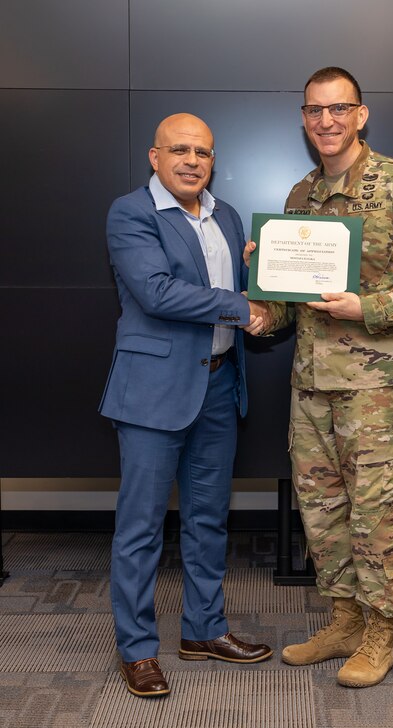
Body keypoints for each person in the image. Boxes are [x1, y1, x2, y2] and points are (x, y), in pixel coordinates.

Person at [247, 66, 393, 687]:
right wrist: (262, 299)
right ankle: (342, 619)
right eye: (315, 111)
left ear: (361, 114)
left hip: (377, 388)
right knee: (322, 511)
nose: (326, 121)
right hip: (311, 384)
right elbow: (290, 303)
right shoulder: (300, 197)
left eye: (339, 109)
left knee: (375, 513)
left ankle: (380, 633)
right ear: (304, 119)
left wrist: (368, 306)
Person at [99, 113, 273, 697]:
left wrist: (264, 276)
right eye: (179, 149)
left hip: (219, 385)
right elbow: (157, 292)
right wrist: (241, 303)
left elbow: (241, 290)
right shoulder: (131, 213)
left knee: (207, 519)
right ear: (155, 157)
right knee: (142, 527)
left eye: (202, 151)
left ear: (213, 160)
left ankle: (203, 630)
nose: (192, 160)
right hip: (153, 392)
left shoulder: (225, 215)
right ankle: (137, 648)